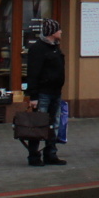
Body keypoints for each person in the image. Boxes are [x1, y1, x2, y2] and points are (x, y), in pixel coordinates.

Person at [24, 18, 66, 166]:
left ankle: (51, 154)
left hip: (55, 92)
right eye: (58, 29)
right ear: (52, 32)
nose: (61, 32)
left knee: (53, 124)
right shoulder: (38, 49)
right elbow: (33, 73)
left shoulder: (55, 47)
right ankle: (34, 156)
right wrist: (33, 96)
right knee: (39, 125)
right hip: (43, 94)